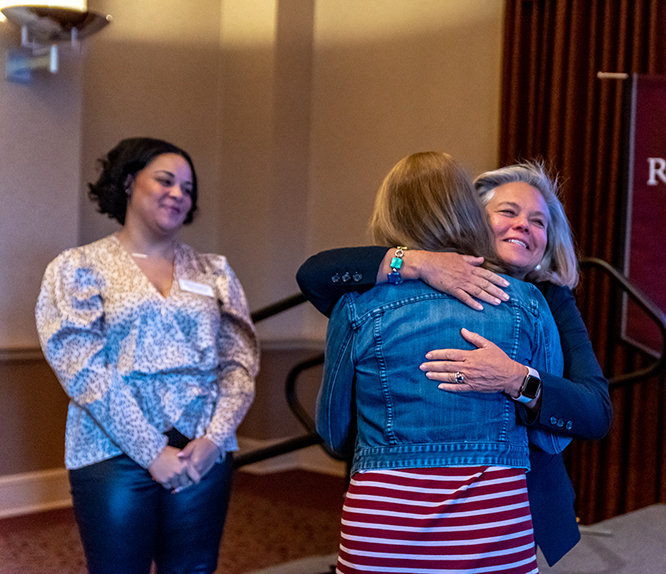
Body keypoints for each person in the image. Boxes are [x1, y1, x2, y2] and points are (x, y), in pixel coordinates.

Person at [297, 160, 611, 566]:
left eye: (539, 221)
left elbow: (594, 412)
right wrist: (419, 262)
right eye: (508, 212)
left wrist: (517, 379)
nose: (523, 226)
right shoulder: (402, 282)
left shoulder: (546, 299)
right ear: (471, 216)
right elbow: (316, 273)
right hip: (488, 519)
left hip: (496, 503)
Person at [35, 137, 258, 574]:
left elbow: (239, 362)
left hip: (203, 453)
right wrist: (151, 451)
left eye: (188, 188)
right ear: (128, 181)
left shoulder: (214, 271)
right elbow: (81, 366)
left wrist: (214, 439)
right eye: (166, 180)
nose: (179, 194)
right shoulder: (79, 267)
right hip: (111, 452)